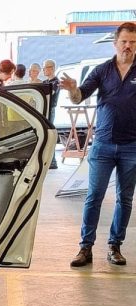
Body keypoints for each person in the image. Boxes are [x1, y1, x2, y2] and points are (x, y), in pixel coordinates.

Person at [61, 22, 136, 267]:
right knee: (94, 196)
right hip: (103, 145)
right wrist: (73, 89)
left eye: (133, 42)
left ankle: (115, 246)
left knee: (125, 199)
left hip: (132, 147)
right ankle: (85, 248)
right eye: (124, 41)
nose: (128, 46)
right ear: (115, 43)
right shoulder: (102, 70)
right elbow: (79, 97)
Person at [43, 59, 60, 169]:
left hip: (50, 110)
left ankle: (52, 161)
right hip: (44, 109)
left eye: (45, 67)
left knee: (50, 134)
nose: (44, 70)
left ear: (52, 68)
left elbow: (50, 94)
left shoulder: (56, 82)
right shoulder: (45, 82)